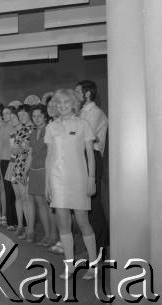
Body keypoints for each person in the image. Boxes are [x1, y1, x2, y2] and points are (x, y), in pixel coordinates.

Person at [45, 89, 97, 280]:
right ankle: (70, 265)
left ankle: (93, 265)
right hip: (57, 180)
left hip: (79, 179)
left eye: (66, 102)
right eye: (59, 103)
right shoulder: (51, 127)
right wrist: (47, 184)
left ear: (73, 103)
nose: (62, 106)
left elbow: (90, 154)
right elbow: (49, 157)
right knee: (63, 224)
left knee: (83, 221)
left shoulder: (83, 124)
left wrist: (91, 179)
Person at [75, 80, 109, 252]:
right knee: (84, 206)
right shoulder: (80, 112)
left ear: (87, 94)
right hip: (81, 157)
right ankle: (91, 248)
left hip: (92, 157)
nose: (75, 96)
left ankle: (100, 249)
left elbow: (84, 135)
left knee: (93, 206)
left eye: (77, 92)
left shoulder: (95, 113)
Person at [27, 104, 58, 247]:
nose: (37, 118)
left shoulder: (50, 129)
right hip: (34, 171)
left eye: (39, 115)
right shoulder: (33, 133)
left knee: (49, 205)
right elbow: (30, 154)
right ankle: (46, 235)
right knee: (40, 206)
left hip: (46, 170)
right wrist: (26, 171)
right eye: (34, 116)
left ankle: (54, 235)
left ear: (45, 116)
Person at [11, 104, 34, 241]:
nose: (21, 117)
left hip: (27, 166)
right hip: (16, 165)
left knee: (27, 198)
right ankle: (21, 225)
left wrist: (20, 149)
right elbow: (15, 150)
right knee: (18, 197)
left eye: (24, 115)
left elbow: (28, 150)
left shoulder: (33, 129)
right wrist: (19, 149)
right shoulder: (21, 130)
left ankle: (30, 229)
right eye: (19, 116)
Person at [0, 107, 18, 230]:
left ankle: (19, 221)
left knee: (17, 193)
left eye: (7, 113)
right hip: (4, 162)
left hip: (15, 161)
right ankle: (10, 221)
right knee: (8, 191)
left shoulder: (16, 127)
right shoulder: (2, 128)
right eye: (3, 113)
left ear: (12, 115)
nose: (4, 115)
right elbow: (0, 147)